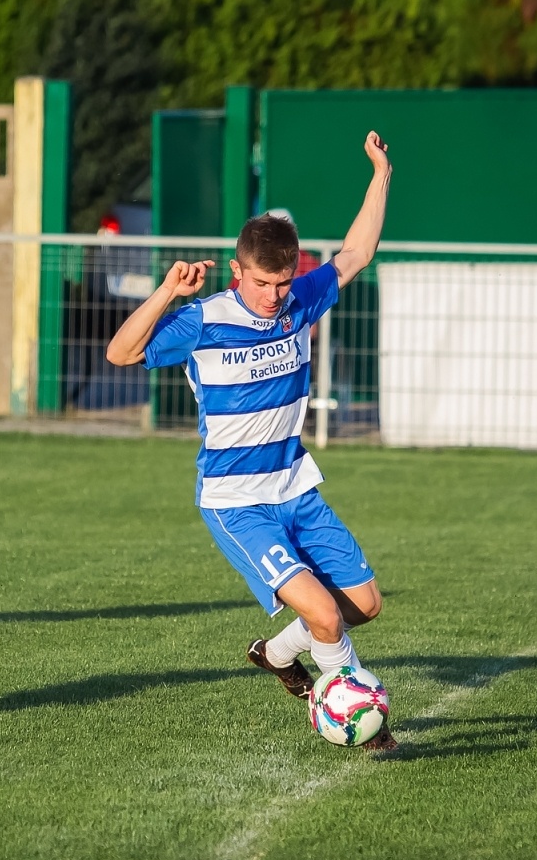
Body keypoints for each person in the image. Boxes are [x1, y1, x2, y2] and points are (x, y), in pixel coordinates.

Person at [105, 132, 396, 749]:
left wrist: (380, 172)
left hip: (296, 484)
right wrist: (166, 292)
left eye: (283, 283)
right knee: (322, 614)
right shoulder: (204, 320)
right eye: (261, 283)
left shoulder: (298, 302)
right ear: (237, 270)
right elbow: (120, 351)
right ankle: (362, 721)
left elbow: (357, 253)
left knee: (363, 604)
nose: (272, 297)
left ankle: (277, 654)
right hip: (237, 500)